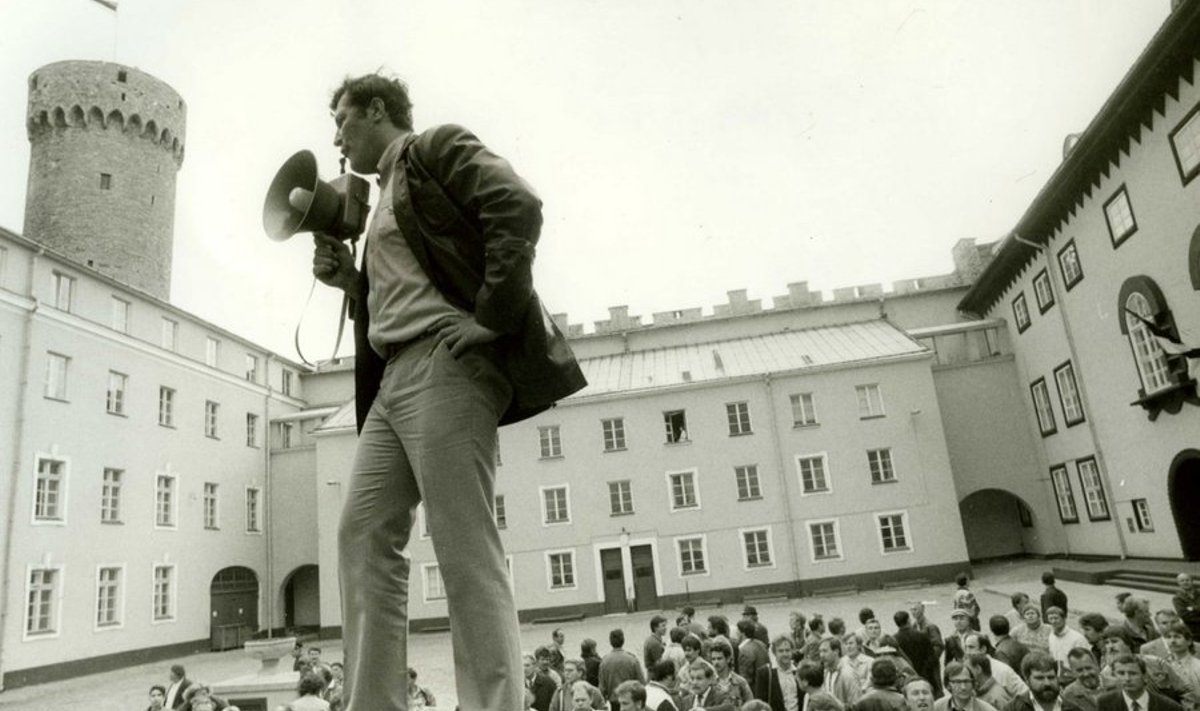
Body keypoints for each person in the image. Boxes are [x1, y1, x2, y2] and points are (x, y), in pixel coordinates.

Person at [315, 72, 585, 711]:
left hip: (445, 363)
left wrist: (492, 316)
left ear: (378, 109)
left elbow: (516, 205)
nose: (337, 140)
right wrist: (353, 285)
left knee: (464, 547)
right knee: (361, 533)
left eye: (344, 122)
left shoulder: (433, 147)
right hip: (394, 376)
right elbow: (409, 287)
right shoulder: (381, 196)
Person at [1097, 654, 1184, 711]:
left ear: (1145, 677)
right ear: (1114, 676)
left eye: (1133, 673)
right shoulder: (1105, 703)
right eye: (1121, 673)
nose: (1127, 679)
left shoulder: (1169, 707)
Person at [1006, 652, 1089, 711]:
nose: (1047, 683)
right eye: (1039, 678)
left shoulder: (1072, 708)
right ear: (1027, 681)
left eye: (1051, 677)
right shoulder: (1013, 708)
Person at [963, 634, 1030, 700]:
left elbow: (1025, 694)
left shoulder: (1002, 670)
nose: (967, 652)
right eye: (965, 647)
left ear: (983, 649)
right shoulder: (964, 669)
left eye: (971, 647)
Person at [895, 610, 939, 697]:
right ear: (908, 620)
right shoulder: (921, 636)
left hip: (906, 678)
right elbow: (932, 657)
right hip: (924, 675)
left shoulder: (895, 639)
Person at [601, 629, 647, 709]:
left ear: (610, 641)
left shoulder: (604, 661)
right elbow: (641, 682)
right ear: (623, 640)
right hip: (631, 702)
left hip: (614, 702)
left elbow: (602, 687)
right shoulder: (632, 659)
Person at [755, 635, 801, 711]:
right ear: (774, 653)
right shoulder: (765, 672)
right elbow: (760, 702)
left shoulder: (799, 670)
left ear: (792, 651)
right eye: (781, 651)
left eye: (787, 650)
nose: (785, 654)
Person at [1161, 624, 1200, 710]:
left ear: (1189, 641)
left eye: (1177, 637)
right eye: (1169, 637)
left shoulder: (1198, 666)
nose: (1172, 641)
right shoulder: (1163, 665)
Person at [711, 639, 755, 709]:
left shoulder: (740, 682)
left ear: (728, 659)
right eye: (713, 659)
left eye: (719, 659)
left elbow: (751, 705)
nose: (716, 663)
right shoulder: (709, 682)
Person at [820, 637, 862, 706]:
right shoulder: (826, 673)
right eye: (820, 651)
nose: (821, 655)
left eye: (825, 651)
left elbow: (856, 703)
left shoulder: (848, 674)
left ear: (836, 651)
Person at [740, 620, 773, 686]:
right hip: (767, 682)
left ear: (743, 633)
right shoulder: (761, 644)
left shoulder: (745, 649)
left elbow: (746, 676)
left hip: (755, 686)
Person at [1174, 575, 1200, 640]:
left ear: (1192, 581)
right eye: (1182, 581)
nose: (1185, 582)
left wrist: (1193, 609)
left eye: (1187, 580)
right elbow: (1184, 615)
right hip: (1193, 630)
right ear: (1178, 583)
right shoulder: (1177, 598)